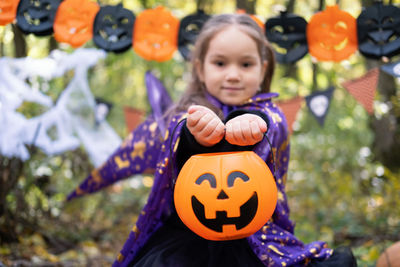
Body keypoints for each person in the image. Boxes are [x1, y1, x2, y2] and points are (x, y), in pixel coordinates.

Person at [67, 14, 357, 267]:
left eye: (245, 64)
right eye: (220, 63)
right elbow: (177, 143)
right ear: (200, 68)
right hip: (187, 235)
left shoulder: (272, 115)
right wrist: (195, 135)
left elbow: (272, 131)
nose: (233, 75)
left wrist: (254, 126)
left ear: (263, 68)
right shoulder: (184, 115)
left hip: (255, 237)